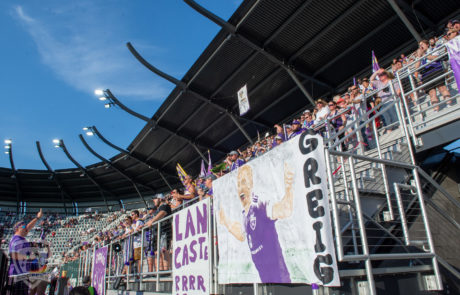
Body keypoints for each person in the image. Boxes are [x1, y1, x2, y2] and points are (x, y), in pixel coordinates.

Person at [218, 164, 294, 283]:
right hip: (265, 280)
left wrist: (289, 187)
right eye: (238, 184)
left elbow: (284, 209)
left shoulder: (260, 204)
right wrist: (226, 222)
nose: (241, 188)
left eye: (244, 182)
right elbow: (241, 235)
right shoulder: (244, 214)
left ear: (251, 184)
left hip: (280, 279)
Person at [8, 209, 43, 295]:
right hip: (17, 275)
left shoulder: (20, 239)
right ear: (17, 229)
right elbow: (13, 254)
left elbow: (29, 227)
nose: (26, 228)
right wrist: (28, 257)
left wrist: (37, 218)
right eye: (23, 227)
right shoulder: (16, 240)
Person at [144, 195, 172, 273]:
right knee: (159, 251)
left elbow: (162, 213)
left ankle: (166, 270)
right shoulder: (159, 208)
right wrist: (143, 225)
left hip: (165, 231)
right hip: (160, 232)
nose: (153, 201)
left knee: (164, 250)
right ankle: (162, 270)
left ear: (160, 198)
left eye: (155, 199)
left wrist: (152, 221)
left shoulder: (164, 206)